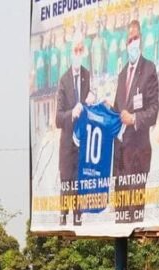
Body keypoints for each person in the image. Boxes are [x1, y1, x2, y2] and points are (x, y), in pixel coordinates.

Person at [113, 19, 159, 224]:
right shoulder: (122, 73)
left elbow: (154, 110)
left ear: (140, 40)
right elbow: (117, 109)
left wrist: (134, 119)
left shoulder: (148, 69)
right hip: (121, 154)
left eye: (135, 38)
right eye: (129, 39)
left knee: (134, 216)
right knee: (120, 213)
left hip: (139, 151)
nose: (132, 42)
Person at [56, 36, 92, 226]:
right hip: (68, 142)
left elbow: (88, 102)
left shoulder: (87, 75)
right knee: (67, 182)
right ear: (71, 53)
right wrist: (72, 113)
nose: (78, 54)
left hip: (83, 141)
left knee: (80, 182)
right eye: (75, 51)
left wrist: (90, 101)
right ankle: (63, 216)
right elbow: (58, 118)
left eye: (81, 50)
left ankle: (78, 216)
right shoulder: (64, 80)